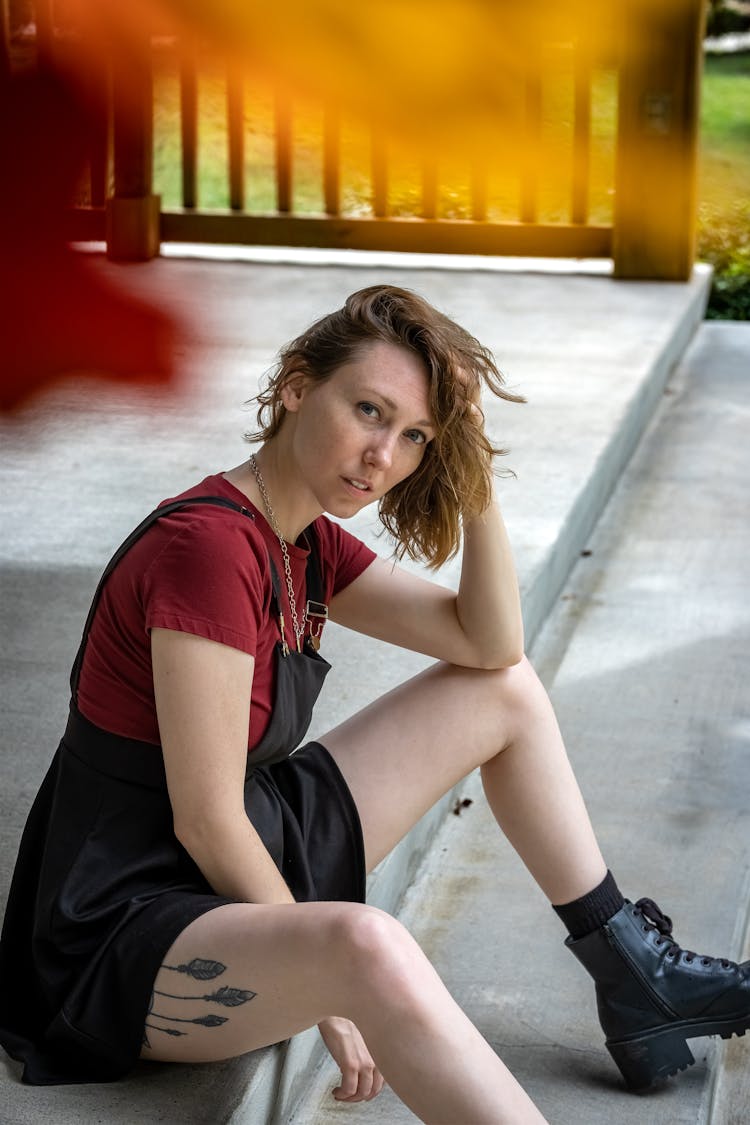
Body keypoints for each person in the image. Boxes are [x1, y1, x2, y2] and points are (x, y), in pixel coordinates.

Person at [0, 285, 747, 1123]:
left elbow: (489, 646)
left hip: (237, 850)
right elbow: (205, 820)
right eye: (368, 410)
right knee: (368, 942)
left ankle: (633, 972)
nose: (382, 455)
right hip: (124, 925)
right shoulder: (208, 548)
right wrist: (327, 995)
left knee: (502, 692)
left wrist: (474, 474)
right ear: (294, 385)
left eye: (415, 436)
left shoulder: (303, 539)